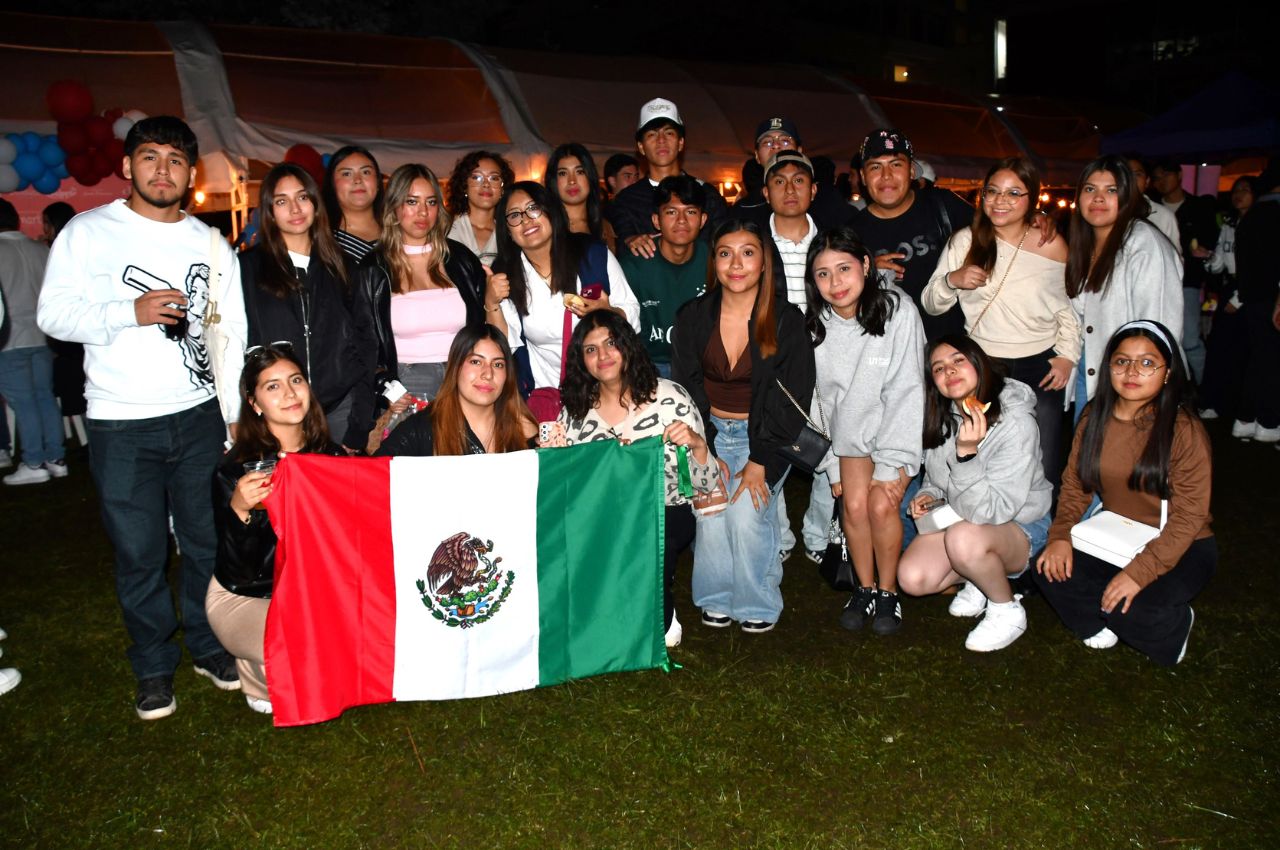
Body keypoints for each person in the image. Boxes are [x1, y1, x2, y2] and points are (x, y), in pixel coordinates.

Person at [37, 116, 248, 720]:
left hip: (199, 416)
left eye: (176, 160)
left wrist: (232, 415)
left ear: (191, 171)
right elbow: (53, 314)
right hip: (120, 421)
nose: (163, 170)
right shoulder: (88, 232)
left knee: (207, 543)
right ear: (127, 166)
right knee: (140, 551)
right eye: (151, 157)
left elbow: (229, 332)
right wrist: (128, 312)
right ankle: (154, 665)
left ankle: (209, 646)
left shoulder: (209, 242)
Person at [1034, 321, 1214, 666]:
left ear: (1168, 372)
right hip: (1116, 534)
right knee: (1046, 566)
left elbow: (1189, 517)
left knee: (1129, 610)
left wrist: (1138, 573)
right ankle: (1098, 621)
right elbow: (1075, 486)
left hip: (1183, 543)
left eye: (1147, 362)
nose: (1132, 371)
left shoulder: (1183, 430)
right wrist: (1060, 536)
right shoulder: (1094, 416)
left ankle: (1175, 624)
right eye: (1121, 361)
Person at [672, 219, 815, 633]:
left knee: (747, 512)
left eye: (748, 252)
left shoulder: (786, 321)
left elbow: (794, 401)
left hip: (768, 435)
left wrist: (760, 460)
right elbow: (686, 389)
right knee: (712, 510)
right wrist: (705, 449)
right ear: (713, 262)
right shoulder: (693, 317)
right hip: (709, 431)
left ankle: (758, 600)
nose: (736, 263)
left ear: (765, 262)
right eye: (725, 253)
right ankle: (715, 597)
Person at [544, 311, 720, 648]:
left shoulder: (671, 399)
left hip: (664, 509)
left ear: (627, 347)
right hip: (598, 514)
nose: (603, 355)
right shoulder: (576, 411)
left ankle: (655, 601)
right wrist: (554, 456)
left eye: (611, 343)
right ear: (582, 362)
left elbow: (705, 484)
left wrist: (697, 445)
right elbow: (567, 484)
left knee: (641, 538)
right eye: (591, 350)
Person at [923, 157, 1079, 489]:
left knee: (1044, 460)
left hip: (1041, 364)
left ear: (1032, 199)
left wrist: (1068, 355)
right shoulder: (965, 241)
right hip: (983, 364)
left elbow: (1067, 307)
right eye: (993, 191)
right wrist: (953, 279)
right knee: (978, 450)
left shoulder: (1049, 243)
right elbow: (931, 303)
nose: (1001, 201)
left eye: (1013, 193)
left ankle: (1037, 535)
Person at [206, 343, 345, 715]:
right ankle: (257, 669)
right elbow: (238, 570)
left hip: (310, 590)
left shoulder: (331, 458)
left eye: (296, 380)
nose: (289, 393)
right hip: (247, 595)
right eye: (273, 386)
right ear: (254, 403)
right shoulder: (236, 471)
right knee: (308, 636)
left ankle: (282, 655)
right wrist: (240, 511)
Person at [804, 227, 925, 635]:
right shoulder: (816, 323)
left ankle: (889, 594)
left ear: (866, 267)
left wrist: (894, 464)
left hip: (895, 428)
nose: (835, 283)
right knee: (853, 507)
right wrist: (832, 463)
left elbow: (908, 390)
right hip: (849, 437)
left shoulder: (897, 311)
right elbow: (818, 398)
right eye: (823, 274)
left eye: (844, 269)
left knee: (880, 504)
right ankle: (865, 587)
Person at [897, 335, 1053, 651]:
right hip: (963, 519)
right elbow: (937, 479)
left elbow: (992, 512)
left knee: (963, 539)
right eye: (938, 368)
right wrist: (927, 495)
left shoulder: (1015, 422)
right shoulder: (944, 416)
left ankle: (1006, 609)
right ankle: (978, 578)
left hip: (1021, 526)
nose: (949, 372)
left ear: (979, 364)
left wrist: (967, 455)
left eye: (958, 361)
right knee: (912, 579)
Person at [238, 163, 377, 452]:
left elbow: (366, 344)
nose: (295, 208)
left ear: (315, 203)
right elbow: (236, 344)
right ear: (269, 212)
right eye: (281, 201)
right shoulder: (247, 269)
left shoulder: (344, 267)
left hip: (339, 411)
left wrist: (358, 425)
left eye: (302, 197)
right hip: (277, 416)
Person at [490, 181, 640, 419]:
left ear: (551, 211)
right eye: (514, 215)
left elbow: (632, 312)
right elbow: (505, 345)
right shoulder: (505, 272)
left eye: (534, 208)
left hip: (607, 390)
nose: (526, 220)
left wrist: (608, 312)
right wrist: (491, 302)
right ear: (507, 229)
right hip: (550, 397)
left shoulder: (592, 253)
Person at [358, 164, 490, 405]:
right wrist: (387, 390)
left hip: (464, 377)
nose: (423, 212)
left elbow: (484, 324)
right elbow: (361, 343)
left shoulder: (460, 259)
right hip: (406, 385)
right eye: (412, 202)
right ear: (394, 207)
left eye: (431, 202)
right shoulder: (373, 267)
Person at [1064, 155, 1183, 411]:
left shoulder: (1144, 244)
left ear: (1128, 197)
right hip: (1091, 368)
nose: (1098, 198)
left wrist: (1142, 390)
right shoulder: (1085, 245)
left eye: (1111, 190)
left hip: (1131, 380)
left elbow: (1160, 324)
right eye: (1089, 189)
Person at [375, 324, 536, 456]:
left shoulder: (523, 431)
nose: (488, 374)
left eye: (498, 364)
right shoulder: (421, 430)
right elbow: (372, 477)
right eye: (476, 362)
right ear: (456, 367)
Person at [605, 97, 729, 255]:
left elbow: (723, 248)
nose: (661, 140)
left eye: (669, 133)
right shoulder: (626, 202)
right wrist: (631, 239)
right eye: (652, 135)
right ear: (641, 147)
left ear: (681, 142)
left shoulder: (707, 195)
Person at [615, 175, 709, 377]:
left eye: (690, 212)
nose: (682, 220)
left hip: (701, 364)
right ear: (656, 220)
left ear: (703, 220)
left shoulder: (715, 262)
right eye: (672, 212)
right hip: (649, 366)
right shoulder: (633, 266)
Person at [0, 198, 65, 485]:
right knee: (44, 397)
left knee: (24, 403)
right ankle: (55, 458)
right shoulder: (41, 249)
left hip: (9, 338)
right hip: (42, 336)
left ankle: (34, 461)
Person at [1223, 162, 1280, 444]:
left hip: (1254, 297)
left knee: (1260, 358)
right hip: (1271, 296)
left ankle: (1247, 419)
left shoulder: (1252, 217)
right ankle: (1267, 421)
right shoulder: (1274, 213)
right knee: (1269, 360)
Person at [1152, 160, 1218, 383]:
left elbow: (1212, 243)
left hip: (1187, 283)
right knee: (1158, 339)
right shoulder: (1151, 209)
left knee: (1189, 340)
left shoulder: (1199, 207)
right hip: (1155, 283)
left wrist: (1205, 254)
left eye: (1166, 175)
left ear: (1179, 175)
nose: (1161, 181)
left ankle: (1206, 389)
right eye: (1157, 177)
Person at [1199, 176, 1256, 423]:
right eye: (1235, 190)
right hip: (1230, 286)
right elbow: (1220, 262)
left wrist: (1239, 297)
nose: (1238, 195)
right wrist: (1208, 257)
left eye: (1245, 190)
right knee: (1219, 348)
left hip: (1251, 290)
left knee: (1244, 352)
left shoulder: (1260, 224)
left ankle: (1238, 408)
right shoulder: (1229, 224)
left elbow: (1261, 267)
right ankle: (1213, 402)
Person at [446, 150, 515, 267]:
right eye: (477, 177)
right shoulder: (445, 228)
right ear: (464, 185)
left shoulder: (512, 233)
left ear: (503, 188)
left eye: (494, 178)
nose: (486, 184)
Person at [545, 143, 616, 251]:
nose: (572, 180)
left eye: (580, 172)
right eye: (563, 173)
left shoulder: (605, 227)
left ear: (590, 177)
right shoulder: (545, 226)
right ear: (554, 181)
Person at [322, 145, 384, 262]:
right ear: (332, 185)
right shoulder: (321, 239)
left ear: (378, 182)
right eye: (346, 174)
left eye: (366, 172)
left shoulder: (398, 233)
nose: (357, 180)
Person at [1122, 154, 1180, 248]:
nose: (1131, 179)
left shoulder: (1163, 216)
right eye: (1125, 174)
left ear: (1147, 181)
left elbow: (1174, 256)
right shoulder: (1104, 211)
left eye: (1137, 174)